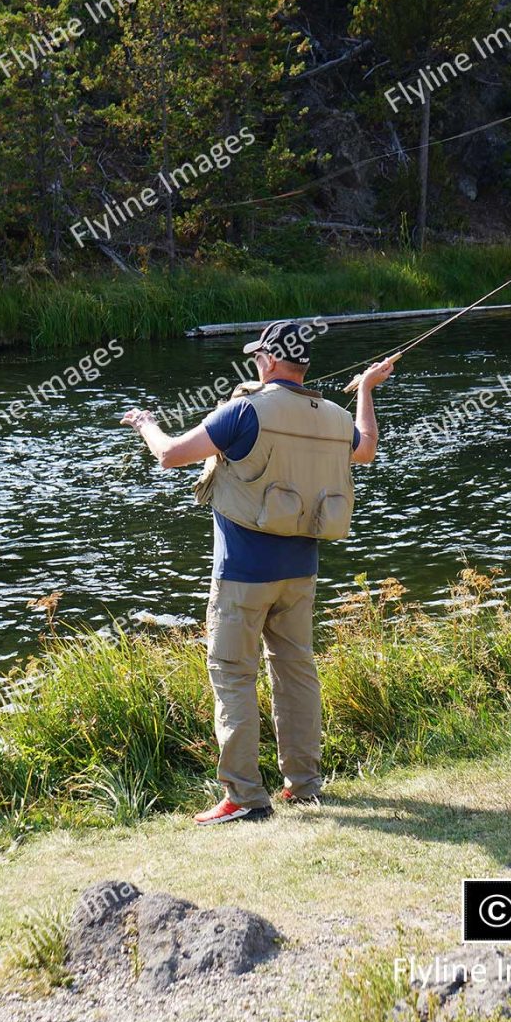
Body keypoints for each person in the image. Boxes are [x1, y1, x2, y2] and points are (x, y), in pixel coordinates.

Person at [121, 319, 393, 825]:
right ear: (303, 364)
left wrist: (143, 423)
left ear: (267, 361)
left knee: (232, 676)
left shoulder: (244, 410)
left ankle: (244, 797)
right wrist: (367, 391)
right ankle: (305, 784)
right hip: (301, 573)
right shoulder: (333, 416)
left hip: (243, 575)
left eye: (256, 358)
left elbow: (170, 455)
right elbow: (367, 449)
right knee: (296, 671)